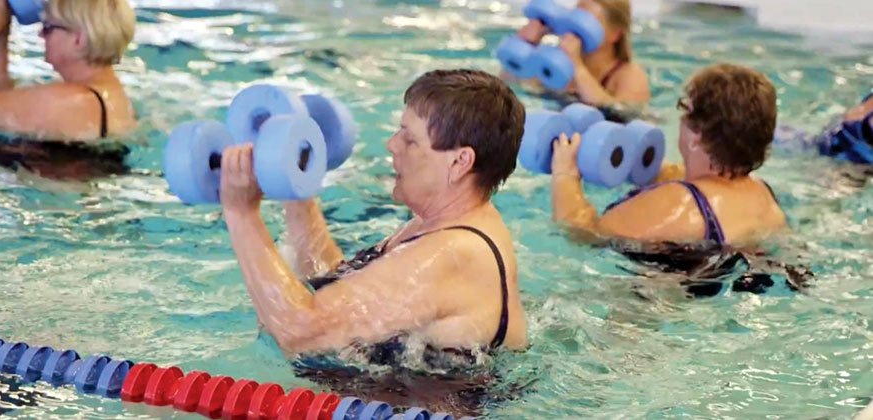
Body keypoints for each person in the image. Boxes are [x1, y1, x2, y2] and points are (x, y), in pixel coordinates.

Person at [218, 70, 528, 364]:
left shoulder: (453, 254)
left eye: (409, 139)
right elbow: (337, 290)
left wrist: (241, 213)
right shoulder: (440, 225)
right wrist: (294, 185)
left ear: (460, 161)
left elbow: (300, 334)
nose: (391, 144)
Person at [551, 63, 785, 246]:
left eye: (685, 109)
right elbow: (690, 176)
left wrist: (565, 174)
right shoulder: (763, 195)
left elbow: (583, 235)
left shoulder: (678, 202)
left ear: (697, 135)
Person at [0, 0, 137, 178]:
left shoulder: (71, 100)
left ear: (79, 39)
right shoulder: (106, 96)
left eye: (48, 27)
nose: (41, 34)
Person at [507, 0, 650, 106]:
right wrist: (526, 45)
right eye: (575, 17)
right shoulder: (559, 63)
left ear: (615, 35)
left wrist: (577, 66)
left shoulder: (629, 75)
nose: (576, 26)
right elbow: (510, 86)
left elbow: (622, 115)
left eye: (588, 22)